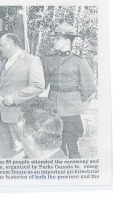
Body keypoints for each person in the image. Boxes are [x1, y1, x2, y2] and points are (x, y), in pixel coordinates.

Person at [43, 22, 96, 158]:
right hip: (53, 107)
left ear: (67, 40)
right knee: (55, 145)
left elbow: (89, 87)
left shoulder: (79, 61)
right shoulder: (49, 60)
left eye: (57, 38)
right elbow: (42, 83)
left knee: (72, 146)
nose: (54, 41)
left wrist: (79, 105)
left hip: (72, 109)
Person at [0, 33, 45, 158]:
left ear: (12, 45)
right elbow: (0, 84)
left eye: (1, 45)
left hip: (20, 116)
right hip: (2, 116)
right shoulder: (3, 61)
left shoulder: (32, 60)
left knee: (23, 153)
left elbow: (38, 86)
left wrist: (14, 98)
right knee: (5, 154)